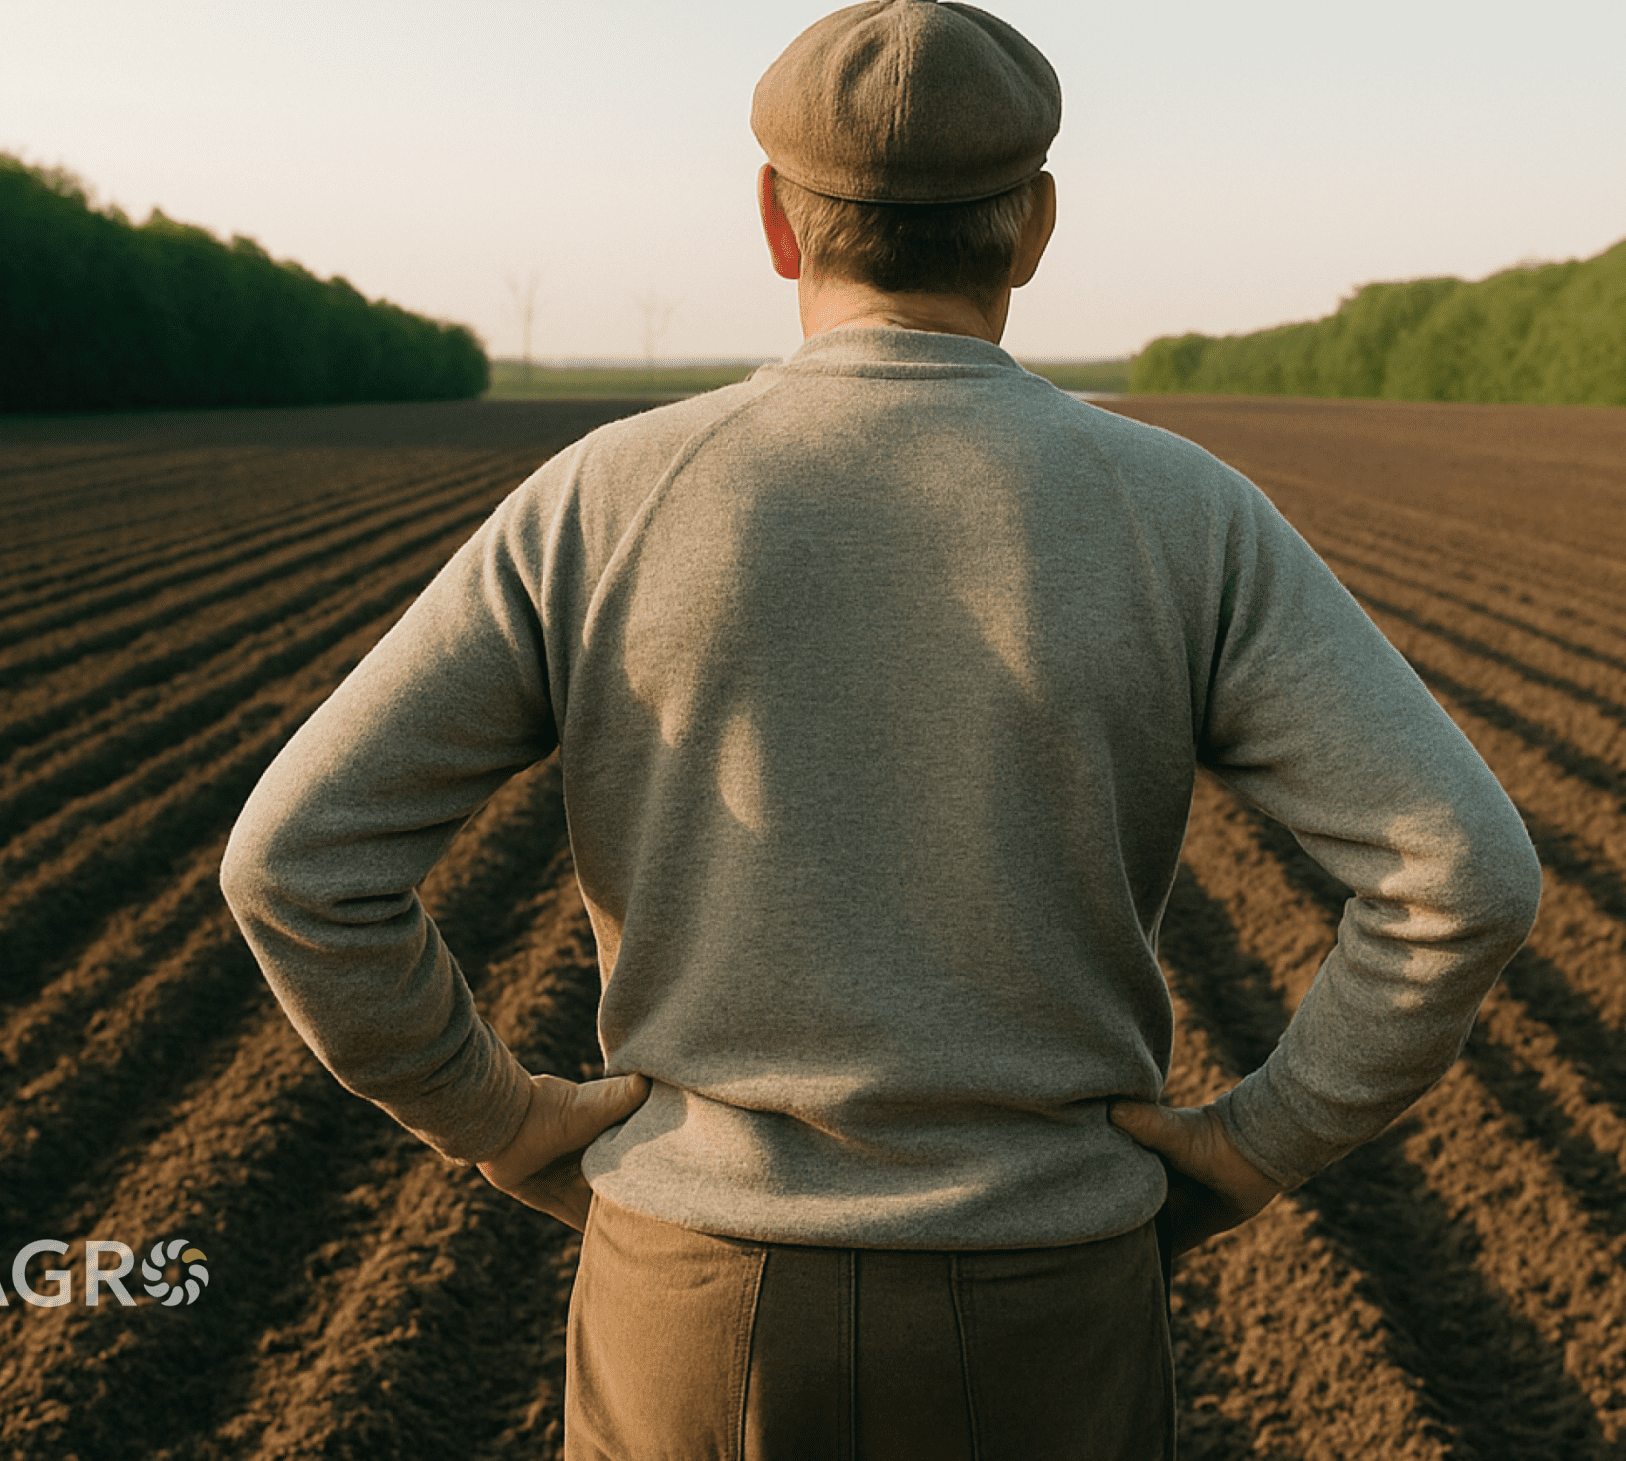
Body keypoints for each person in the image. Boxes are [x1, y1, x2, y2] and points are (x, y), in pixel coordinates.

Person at [218, 2, 1541, 1455]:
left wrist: (502, 1119)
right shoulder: (1184, 512)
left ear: (778, 227)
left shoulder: (605, 497)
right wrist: (1252, 1147)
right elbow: (1462, 872)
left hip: (691, 1297)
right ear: (1033, 228)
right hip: (1052, 1299)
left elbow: (295, 862)